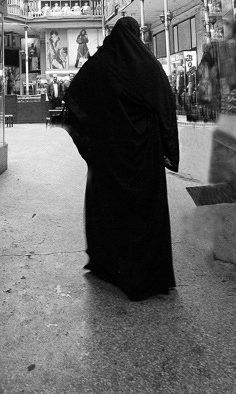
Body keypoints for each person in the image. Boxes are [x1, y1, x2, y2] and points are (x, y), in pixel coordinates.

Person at [63, 17, 179, 301]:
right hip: (144, 157)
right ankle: (147, 274)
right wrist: (167, 146)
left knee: (109, 210)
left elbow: (74, 95)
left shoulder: (101, 63)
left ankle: (109, 266)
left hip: (109, 156)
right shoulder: (147, 65)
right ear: (136, 35)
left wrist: (94, 137)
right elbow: (165, 104)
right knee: (143, 211)